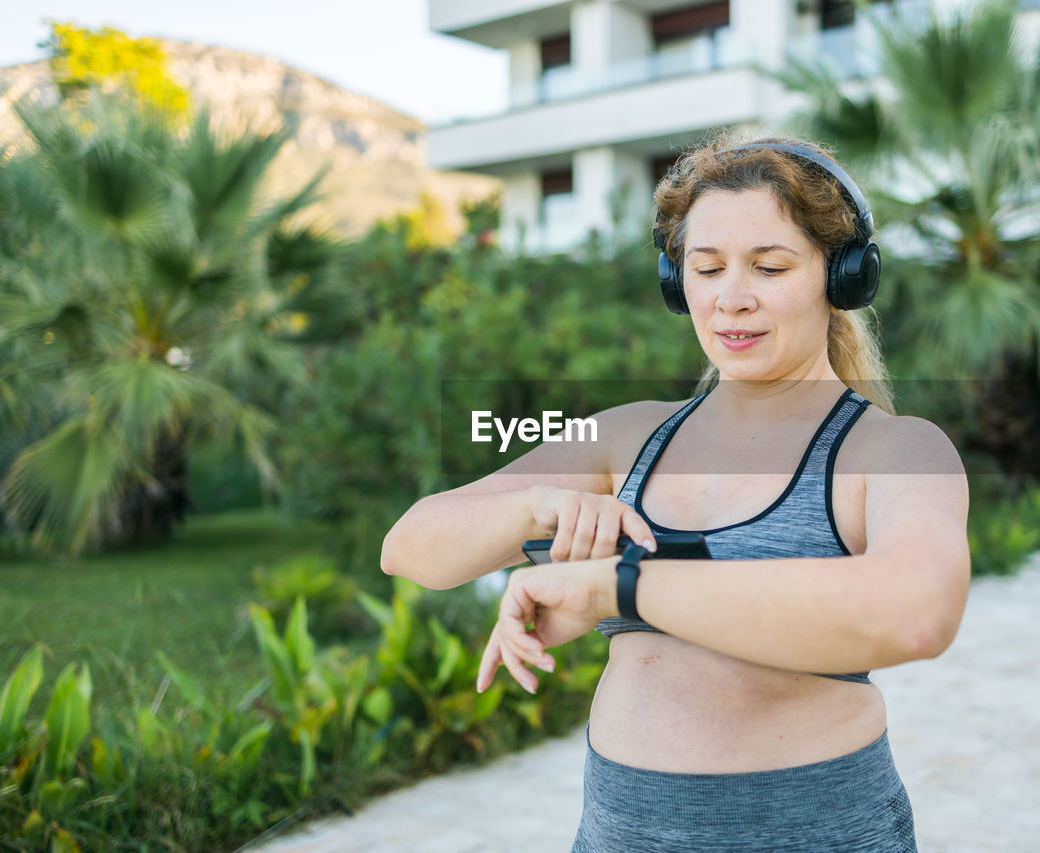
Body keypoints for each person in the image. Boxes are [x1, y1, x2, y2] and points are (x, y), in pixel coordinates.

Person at [381, 129, 971, 852]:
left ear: (842, 276)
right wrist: (535, 506)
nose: (732, 299)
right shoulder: (625, 438)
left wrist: (618, 587)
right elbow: (408, 548)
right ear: (675, 279)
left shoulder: (893, 449)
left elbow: (916, 614)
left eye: (770, 267)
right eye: (707, 266)